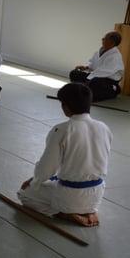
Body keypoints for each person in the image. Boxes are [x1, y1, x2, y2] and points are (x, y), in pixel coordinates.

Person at [17, 83, 111, 227]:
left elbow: (47, 169)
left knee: (24, 194)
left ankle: (63, 213)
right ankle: (89, 211)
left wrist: (35, 181)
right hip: (97, 194)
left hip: (69, 196)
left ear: (65, 107)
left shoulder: (61, 130)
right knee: (56, 182)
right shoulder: (103, 128)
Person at [69, 31, 124, 102]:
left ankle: (113, 90)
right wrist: (86, 67)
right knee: (74, 73)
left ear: (112, 42)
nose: (102, 39)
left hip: (107, 81)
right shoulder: (100, 51)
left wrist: (88, 79)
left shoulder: (115, 56)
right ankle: (83, 90)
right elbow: (93, 64)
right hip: (94, 76)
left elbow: (104, 72)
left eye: (105, 38)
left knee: (94, 82)